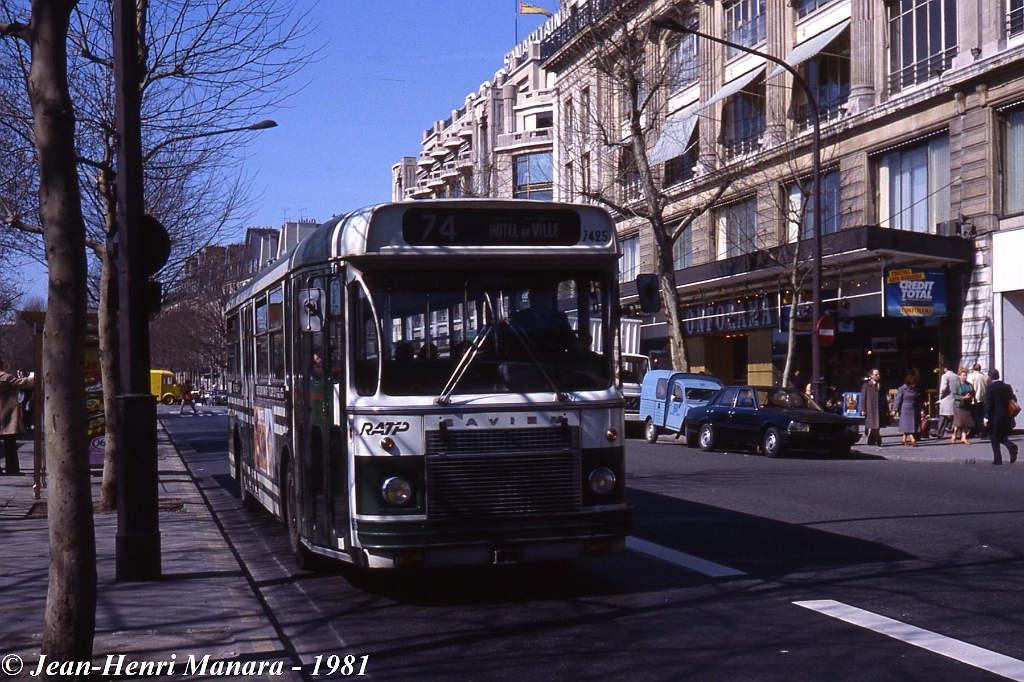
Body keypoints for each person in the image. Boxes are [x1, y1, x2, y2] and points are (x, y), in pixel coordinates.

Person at [0, 358, 35, 475]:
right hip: (7, 414)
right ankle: (12, 469)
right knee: (10, 443)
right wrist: (34, 378)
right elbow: (23, 383)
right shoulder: (6, 378)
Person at [983, 368, 1018, 465]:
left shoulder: (991, 387)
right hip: (1006, 415)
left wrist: (986, 417)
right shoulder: (1007, 386)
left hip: (994, 416)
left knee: (994, 437)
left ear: (990, 377)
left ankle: (997, 459)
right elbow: (1013, 399)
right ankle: (1011, 447)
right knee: (1001, 435)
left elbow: (989, 403)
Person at [893, 373, 923, 447]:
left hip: (914, 409)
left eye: (914, 384)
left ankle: (904, 439)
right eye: (912, 384)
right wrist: (895, 409)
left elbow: (918, 400)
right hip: (905, 409)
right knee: (908, 425)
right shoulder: (902, 389)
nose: (913, 385)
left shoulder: (915, 390)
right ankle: (913, 439)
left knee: (909, 425)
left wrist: (921, 410)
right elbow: (898, 400)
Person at [860, 368, 888, 448]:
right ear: (871, 376)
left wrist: (886, 409)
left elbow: (883, 398)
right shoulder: (866, 385)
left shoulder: (880, 385)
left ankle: (871, 440)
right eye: (876, 375)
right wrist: (863, 409)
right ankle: (878, 439)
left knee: (877, 425)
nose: (878, 376)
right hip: (870, 409)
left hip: (879, 409)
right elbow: (863, 398)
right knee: (874, 425)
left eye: (878, 374)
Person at [950, 367, 974, 445]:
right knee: (959, 422)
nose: (965, 377)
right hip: (959, 405)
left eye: (966, 375)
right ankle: (954, 435)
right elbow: (954, 395)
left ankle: (964, 438)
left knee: (966, 422)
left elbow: (973, 392)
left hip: (967, 405)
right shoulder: (956, 384)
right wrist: (963, 397)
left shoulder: (969, 384)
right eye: (963, 375)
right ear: (959, 376)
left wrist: (970, 396)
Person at [936, 363, 958, 438]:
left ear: (945, 368)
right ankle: (956, 433)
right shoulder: (956, 376)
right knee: (954, 416)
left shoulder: (945, 376)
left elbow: (943, 388)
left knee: (943, 416)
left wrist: (940, 397)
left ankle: (939, 432)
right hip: (954, 398)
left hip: (946, 398)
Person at [967, 363, 989, 438]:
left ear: (973, 369)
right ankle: (974, 431)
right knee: (981, 415)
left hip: (975, 399)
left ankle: (984, 432)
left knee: (976, 417)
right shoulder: (986, 377)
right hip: (984, 399)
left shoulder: (971, 377)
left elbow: (969, 388)